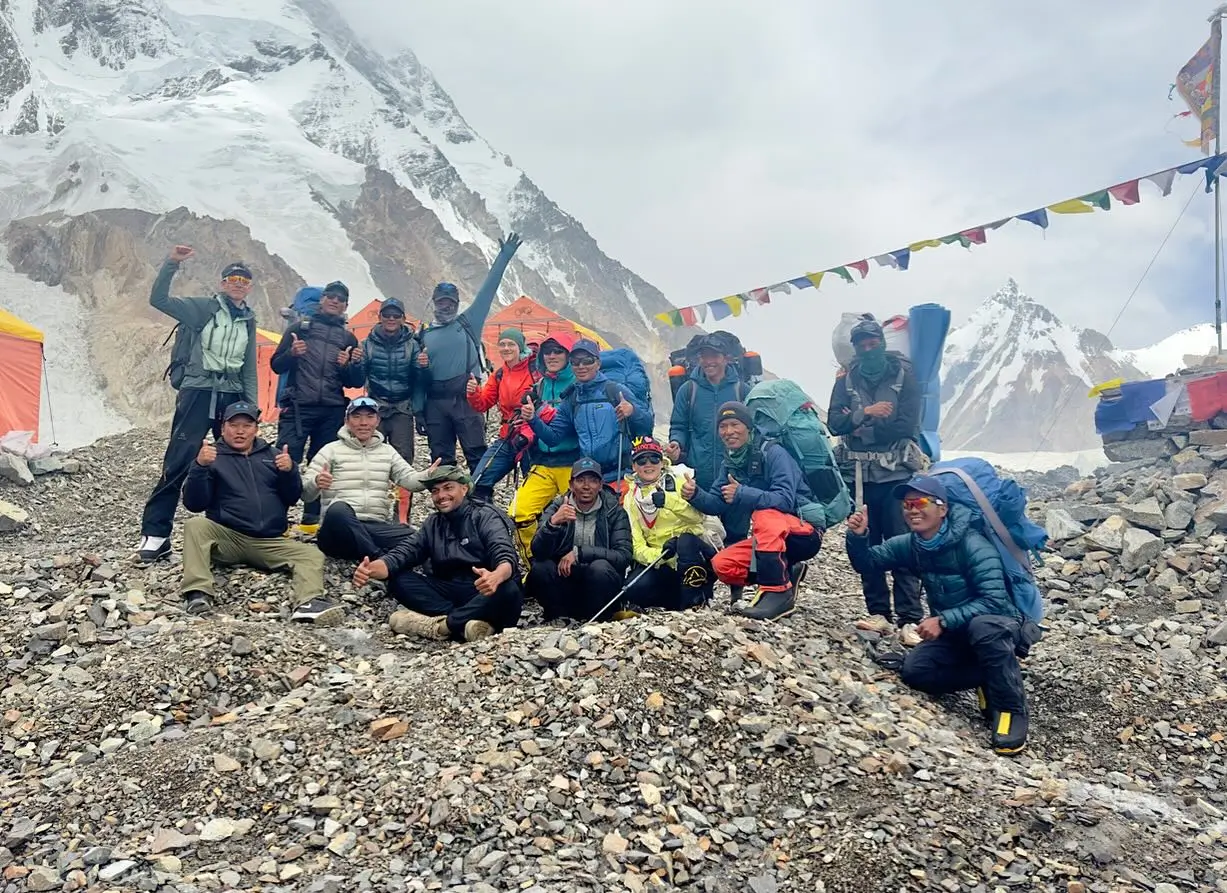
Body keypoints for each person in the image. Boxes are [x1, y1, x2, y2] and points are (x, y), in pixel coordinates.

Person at [845, 475, 1029, 755]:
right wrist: (858, 537)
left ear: (943, 509)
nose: (912, 510)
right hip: (955, 632)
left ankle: (1010, 709)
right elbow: (868, 563)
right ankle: (986, 676)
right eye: (907, 505)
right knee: (915, 672)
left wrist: (943, 620)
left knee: (984, 629)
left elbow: (995, 601)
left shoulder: (973, 544)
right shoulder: (912, 543)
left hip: (1000, 625)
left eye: (920, 502)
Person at [136, 246, 259, 563]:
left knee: (230, 461)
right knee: (179, 459)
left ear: (249, 286)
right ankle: (156, 535)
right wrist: (171, 264)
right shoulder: (203, 308)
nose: (238, 283)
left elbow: (247, 366)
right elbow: (159, 301)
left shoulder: (248, 319)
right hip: (198, 391)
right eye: (232, 278)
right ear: (222, 283)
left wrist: (251, 406)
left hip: (231, 396)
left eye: (243, 280)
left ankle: (223, 534)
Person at [179, 401, 338, 624]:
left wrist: (289, 471)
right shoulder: (212, 457)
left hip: (269, 541)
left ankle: (308, 602)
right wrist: (200, 466)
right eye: (234, 425)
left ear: (256, 428)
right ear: (223, 427)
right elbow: (194, 504)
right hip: (230, 538)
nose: (240, 431)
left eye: (247, 425)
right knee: (195, 525)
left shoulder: (272, 456)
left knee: (311, 555)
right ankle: (197, 594)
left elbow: (292, 498)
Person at [827, 314, 924, 641]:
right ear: (855, 348)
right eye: (862, 345)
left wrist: (858, 425)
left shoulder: (905, 378)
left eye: (873, 343)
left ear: (881, 343)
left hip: (897, 477)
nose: (868, 349)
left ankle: (910, 617)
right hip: (861, 477)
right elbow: (834, 424)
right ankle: (878, 612)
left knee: (903, 542)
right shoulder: (845, 380)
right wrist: (868, 413)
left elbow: (907, 426)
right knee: (867, 539)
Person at [683, 402, 822, 621]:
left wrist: (742, 493)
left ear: (748, 427)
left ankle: (777, 592)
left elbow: (785, 499)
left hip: (803, 533)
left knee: (764, 514)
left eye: (734, 424)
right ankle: (786, 573)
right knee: (723, 565)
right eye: (723, 426)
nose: (729, 431)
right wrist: (695, 495)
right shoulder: (730, 462)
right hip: (771, 540)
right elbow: (717, 504)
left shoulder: (775, 453)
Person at [352, 465, 522, 643]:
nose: (441, 496)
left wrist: (495, 576)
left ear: (464, 489)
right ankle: (469, 625)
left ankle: (442, 627)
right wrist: (370, 569)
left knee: (508, 589)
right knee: (399, 579)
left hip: (483, 587)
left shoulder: (485, 516)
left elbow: (504, 554)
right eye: (435, 491)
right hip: (449, 589)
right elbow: (404, 554)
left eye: (448, 488)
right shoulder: (433, 523)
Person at [416, 234, 523, 469]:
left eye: (450, 302)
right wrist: (419, 411)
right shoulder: (422, 334)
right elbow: (418, 378)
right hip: (434, 402)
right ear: (434, 303)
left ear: (457, 303)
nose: (446, 306)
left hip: (466, 398)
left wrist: (504, 256)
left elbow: (488, 291)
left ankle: (481, 502)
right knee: (441, 459)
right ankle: (448, 504)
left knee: (476, 455)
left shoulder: (469, 323)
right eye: (442, 302)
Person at [270, 281, 366, 533]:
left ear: (345, 305)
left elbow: (355, 382)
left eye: (340, 299)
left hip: (331, 409)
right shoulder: (299, 329)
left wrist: (350, 365)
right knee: (285, 459)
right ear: (322, 300)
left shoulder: (348, 338)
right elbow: (276, 365)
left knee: (321, 463)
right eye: (331, 296)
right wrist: (292, 353)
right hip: (298, 407)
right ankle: (275, 516)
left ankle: (310, 520)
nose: (335, 301)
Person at [301, 397, 438, 561]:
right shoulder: (330, 450)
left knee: (414, 536)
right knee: (338, 509)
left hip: (373, 528)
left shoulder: (387, 452)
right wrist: (316, 482)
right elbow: (305, 494)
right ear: (347, 421)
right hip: (337, 532)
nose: (363, 422)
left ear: (378, 420)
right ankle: (378, 558)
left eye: (369, 417)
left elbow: (409, 479)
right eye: (357, 417)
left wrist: (429, 476)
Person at [526, 338, 652, 491]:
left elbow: (647, 425)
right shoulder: (572, 399)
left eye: (587, 361)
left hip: (621, 476)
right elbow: (553, 438)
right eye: (575, 361)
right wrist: (533, 419)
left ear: (598, 363)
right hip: (590, 478)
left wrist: (633, 411)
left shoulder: (615, 391)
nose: (581, 366)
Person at [526, 458, 632, 621]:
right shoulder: (556, 507)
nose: (586, 486)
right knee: (540, 568)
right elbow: (537, 552)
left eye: (593, 481)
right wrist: (552, 524)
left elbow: (623, 556)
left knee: (600, 568)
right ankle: (556, 618)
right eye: (580, 480)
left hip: (599, 584)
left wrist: (580, 553)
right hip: (566, 580)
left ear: (601, 484)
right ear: (570, 484)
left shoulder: (614, 510)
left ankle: (599, 619)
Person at [623, 437, 716, 610]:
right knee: (635, 588)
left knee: (686, 542)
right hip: (661, 559)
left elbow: (698, 518)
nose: (648, 464)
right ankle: (675, 601)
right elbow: (636, 545)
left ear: (662, 462)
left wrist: (668, 501)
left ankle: (695, 601)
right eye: (641, 460)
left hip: (692, 551)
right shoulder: (630, 498)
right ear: (634, 466)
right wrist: (661, 555)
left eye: (654, 458)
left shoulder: (680, 480)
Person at [510, 334, 579, 562]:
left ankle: (571, 568)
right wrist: (524, 432)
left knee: (576, 520)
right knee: (520, 512)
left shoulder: (580, 385)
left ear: (569, 355)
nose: (552, 355)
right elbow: (530, 423)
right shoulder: (539, 386)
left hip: (574, 464)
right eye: (547, 351)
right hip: (543, 463)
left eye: (558, 350)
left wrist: (540, 414)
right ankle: (535, 566)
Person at [666, 334, 750, 492]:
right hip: (697, 478)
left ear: (726, 358)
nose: (709, 361)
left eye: (715, 356)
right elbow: (679, 425)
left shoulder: (742, 390)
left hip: (735, 479)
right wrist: (676, 442)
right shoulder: (688, 390)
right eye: (704, 356)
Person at [466, 328, 539, 501]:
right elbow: (483, 404)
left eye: (511, 344)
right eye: (502, 344)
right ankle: (485, 520)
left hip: (534, 438)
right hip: (508, 435)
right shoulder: (500, 373)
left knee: (535, 488)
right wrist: (473, 393)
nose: (506, 348)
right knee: (478, 482)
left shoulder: (535, 371)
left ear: (520, 347)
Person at [360, 297, 419, 464]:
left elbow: (420, 379)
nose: (391, 319)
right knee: (372, 459)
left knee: (403, 460)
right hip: (375, 407)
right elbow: (356, 380)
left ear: (403, 318)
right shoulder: (366, 345)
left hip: (402, 409)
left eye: (396, 315)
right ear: (380, 317)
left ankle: (402, 491)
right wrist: (354, 364)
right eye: (387, 314)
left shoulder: (413, 345)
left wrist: (423, 367)